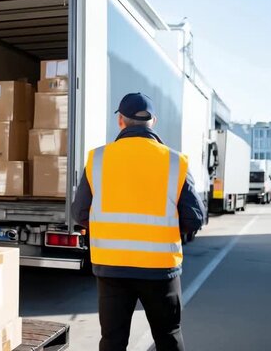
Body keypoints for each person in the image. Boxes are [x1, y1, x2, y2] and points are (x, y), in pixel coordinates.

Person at [71, 93, 205, 351]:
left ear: (120, 121)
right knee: (168, 336)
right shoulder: (175, 161)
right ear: (152, 121)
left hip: (111, 267)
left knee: (113, 341)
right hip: (160, 268)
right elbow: (194, 218)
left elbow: (80, 213)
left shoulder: (98, 159)